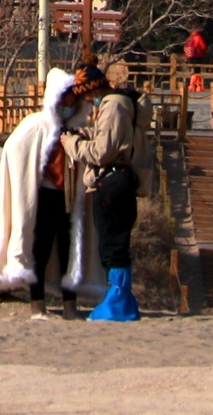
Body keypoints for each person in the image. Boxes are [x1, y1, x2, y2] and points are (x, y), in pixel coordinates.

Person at [0, 66, 84, 315]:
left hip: (68, 196)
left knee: (70, 251)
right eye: (67, 95)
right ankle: (37, 303)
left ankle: (70, 305)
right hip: (43, 195)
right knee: (40, 249)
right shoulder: (37, 125)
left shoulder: (76, 125)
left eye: (73, 95)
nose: (71, 101)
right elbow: (15, 149)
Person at [70, 62, 142, 321]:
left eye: (86, 95)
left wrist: (73, 144)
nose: (87, 101)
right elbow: (109, 137)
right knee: (115, 242)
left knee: (113, 244)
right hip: (120, 181)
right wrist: (87, 133)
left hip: (112, 181)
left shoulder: (112, 106)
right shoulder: (117, 105)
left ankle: (118, 302)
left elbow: (103, 151)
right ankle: (122, 299)